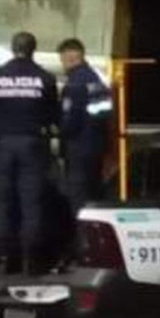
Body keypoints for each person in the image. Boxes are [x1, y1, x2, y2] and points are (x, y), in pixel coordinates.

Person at [0, 32, 59, 275]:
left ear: (12, 48)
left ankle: (5, 259)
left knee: (3, 203)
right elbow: (53, 116)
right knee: (31, 203)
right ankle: (31, 261)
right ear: (33, 49)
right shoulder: (45, 78)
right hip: (32, 143)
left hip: (2, 145)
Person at [57, 39, 113, 215]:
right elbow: (105, 113)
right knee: (93, 194)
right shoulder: (97, 79)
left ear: (71, 56)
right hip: (96, 146)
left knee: (78, 197)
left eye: (63, 59)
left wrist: (59, 132)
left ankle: (82, 237)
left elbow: (69, 121)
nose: (63, 64)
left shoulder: (74, 83)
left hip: (78, 147)